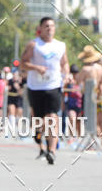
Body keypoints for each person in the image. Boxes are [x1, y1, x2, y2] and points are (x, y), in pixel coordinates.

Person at [22, 17, 69, 164]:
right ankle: (41, 141)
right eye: (46, 26)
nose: (49, 29)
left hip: (54, 85)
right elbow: (23, 63)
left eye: (52, 26)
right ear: (40, 28)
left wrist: (67, 75)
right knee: (39, 121)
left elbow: (65, 63)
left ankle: (52, 151)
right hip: (36, 87)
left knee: (53, 117)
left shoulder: (60, 45)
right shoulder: (34, 44)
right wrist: (36, 68)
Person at [76, 46, 102, 151]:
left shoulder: (86, 69)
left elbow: (78, 81)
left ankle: (92, 143)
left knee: (93, 122)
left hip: (93, 98)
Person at [63, 64, 83, 142]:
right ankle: (71, 136)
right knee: (72, 118)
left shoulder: (81, 82)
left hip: (80, 105)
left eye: (76, 73)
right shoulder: (68, 82)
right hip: (71, 104)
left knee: (79, 121)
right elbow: (63, 92)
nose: (74, 75)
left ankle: (79, 137)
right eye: (73, 73)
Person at [6, 68, 24, 134]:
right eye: (14, 74)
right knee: (11, 111)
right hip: (11, 98)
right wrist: (7, 88)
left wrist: (18, 87)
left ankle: (20, 129)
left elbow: (22, 93)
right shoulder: (10, 81)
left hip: (18, 98)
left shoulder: (21, 81)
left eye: (16, 74)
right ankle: (12, 129)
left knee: (19, 112)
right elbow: (6, 88)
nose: (15, 76)